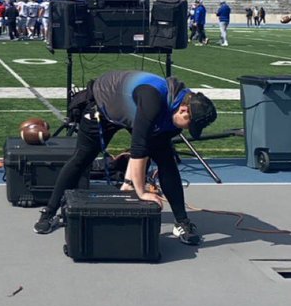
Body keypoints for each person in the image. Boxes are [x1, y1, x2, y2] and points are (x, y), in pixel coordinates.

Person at [34, 71, 217, 245]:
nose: (187, 129)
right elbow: (139, 149)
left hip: (134, 111)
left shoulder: (180, 108)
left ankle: (182, 221)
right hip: (104, 106)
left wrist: (129, 182)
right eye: (189, 124)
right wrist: (141, 192)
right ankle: (49, 213)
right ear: (183, 109)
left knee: (167, 161)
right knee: (81, 159)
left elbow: (147, 147)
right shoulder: (152, 101)